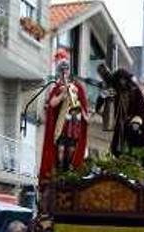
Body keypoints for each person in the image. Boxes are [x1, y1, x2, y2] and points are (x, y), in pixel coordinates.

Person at [39, 48, 89, 184]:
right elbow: (52, 104)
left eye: (66, 70)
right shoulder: (57, 87)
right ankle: (60, 173)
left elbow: (83, 106)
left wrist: (85, 115)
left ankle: (68, 173)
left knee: (71, 151)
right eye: (62, 70)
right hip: (62, 123)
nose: (64, 72)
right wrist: (62, 94)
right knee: (60, 150)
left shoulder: (77, 87)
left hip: (74, 123)